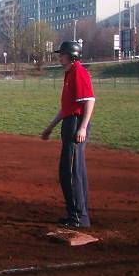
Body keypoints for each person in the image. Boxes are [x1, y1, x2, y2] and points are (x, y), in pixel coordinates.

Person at [40, 41, 95, 228]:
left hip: (76, 124)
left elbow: (89, 101)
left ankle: (78, 217)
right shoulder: (70, 74)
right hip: (70, 122)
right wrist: (50, 127)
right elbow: (66, 109)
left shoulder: (79, 72)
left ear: (72, 56)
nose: (59, 56)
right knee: (72, 170)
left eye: (62, 54)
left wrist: (82, 127)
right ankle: (77, 214)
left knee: (71, 171)